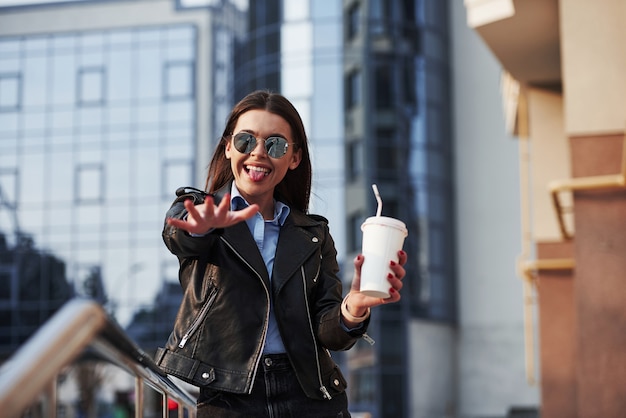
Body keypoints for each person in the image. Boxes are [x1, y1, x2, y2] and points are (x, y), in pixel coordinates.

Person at [156, 90, 407, 418]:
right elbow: (180, 234)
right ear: (228, 146)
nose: (258, 154)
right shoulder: (200, 211)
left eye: (275, 145)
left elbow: (328, 331)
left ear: (294, 158)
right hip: (229, 396)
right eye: (246, 141)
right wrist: (201, 226)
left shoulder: (313, 234)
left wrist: (353, 308)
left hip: (310, 395)